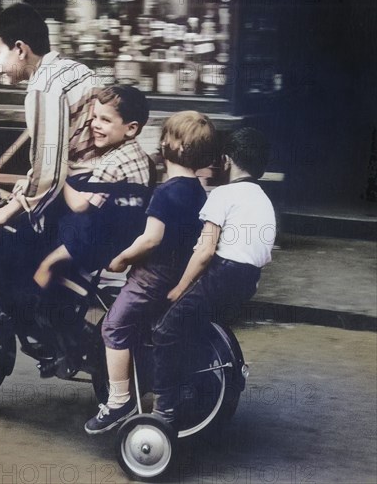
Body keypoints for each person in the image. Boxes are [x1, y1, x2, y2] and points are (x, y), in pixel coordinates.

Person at [82, 111, 217, 434]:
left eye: (165, 136)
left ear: (174, 146)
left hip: (153, 275)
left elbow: (151, 238)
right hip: (178, 272)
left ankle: (118, 401)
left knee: (113, 328)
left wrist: (123, 258)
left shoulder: (165, 192)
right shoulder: (197, 191)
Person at [0, 2, 102, 310]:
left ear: (20, 49)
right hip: (100, 193)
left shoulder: (44, 88)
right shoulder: (73, 69)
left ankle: (45, 344)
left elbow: (49, 173)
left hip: (78, 203)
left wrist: (6, 212)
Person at [151, 127, 276, 425]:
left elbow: (205, 251)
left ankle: (163, 410)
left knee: (165, 330)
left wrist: (181, 286)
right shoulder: (261, 198)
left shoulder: (224, 193)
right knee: (190, 325)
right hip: (247, 281)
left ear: (227, 160)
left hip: (224, 273)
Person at [33, 85, 153, 289]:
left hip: (103, 241)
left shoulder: (112, 163)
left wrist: (60, 177)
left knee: (45, 263)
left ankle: (35, 309)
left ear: (131, 128)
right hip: (125, 231)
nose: (95, 125)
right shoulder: (135, 154)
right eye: (95, 117)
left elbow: (80, 205)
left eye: (105, 120)